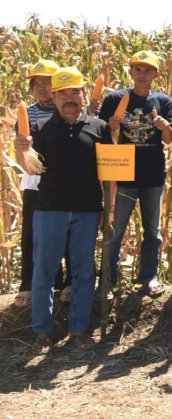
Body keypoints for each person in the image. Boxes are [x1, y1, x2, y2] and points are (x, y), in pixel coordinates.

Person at [17, 67, 108, 351]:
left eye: (75, 92)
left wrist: (109, 209)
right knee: (44, 272)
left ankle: (79, 331)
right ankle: (42, 332)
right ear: (54, 97)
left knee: (83, 272)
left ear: (84, 95)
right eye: (62, 93)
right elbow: (31, 170)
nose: (69, 98)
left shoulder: (100, 128)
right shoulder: (39, 129)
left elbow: (109, 173)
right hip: (49, 209)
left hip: (87, 210)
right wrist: (22, 150)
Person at [99, 50, 172, 296]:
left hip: (152, 175)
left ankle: (149, 277)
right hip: (122, 175)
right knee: (114, 231)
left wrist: (164, 126)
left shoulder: (163, 101)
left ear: (156, 74)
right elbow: (102, 135)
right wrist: (111, 126)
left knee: (152, 232)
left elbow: (169, 139)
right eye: (138, 70)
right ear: (131, 72)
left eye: (147, 70)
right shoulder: (114, 99)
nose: (142, 75)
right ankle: (108, 281)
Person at [16, 59, 69, 308]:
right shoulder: (27, 113)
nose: (41, 88)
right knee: (32, 234)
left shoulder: (69, 110)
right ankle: (27, 283)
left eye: (47, 82)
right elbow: (22, 153)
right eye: (36, 83)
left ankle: (66, 282)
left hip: (65, 181)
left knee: (67, 231)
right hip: (35, 182)